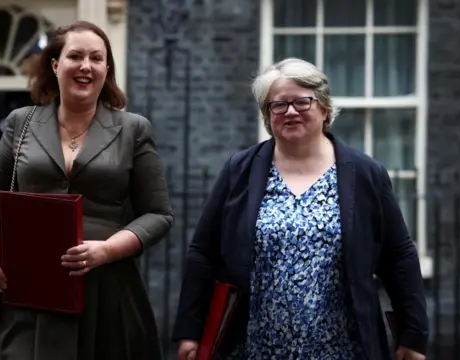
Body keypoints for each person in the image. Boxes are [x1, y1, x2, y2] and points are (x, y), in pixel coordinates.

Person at [172, 57, 428, 360]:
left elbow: (399, 255)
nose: (290, 111)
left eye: (302, 102)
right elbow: (204, 252)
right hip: (254, 347)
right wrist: (190, 330)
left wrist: (413, 334)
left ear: (324, 108)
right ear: (268, 116)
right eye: (278, 105)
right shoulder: (239, 170)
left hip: (343, 348)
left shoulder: (365, 173)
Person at [0, 21, 173, 360]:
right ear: (55, 65)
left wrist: (107, 250)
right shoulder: (20, 123)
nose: (85, 66)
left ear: (107, 69)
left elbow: (159, 214)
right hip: (30, 291)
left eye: (97, 58)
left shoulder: (133, 129)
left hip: (106, 292)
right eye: (75, 56)